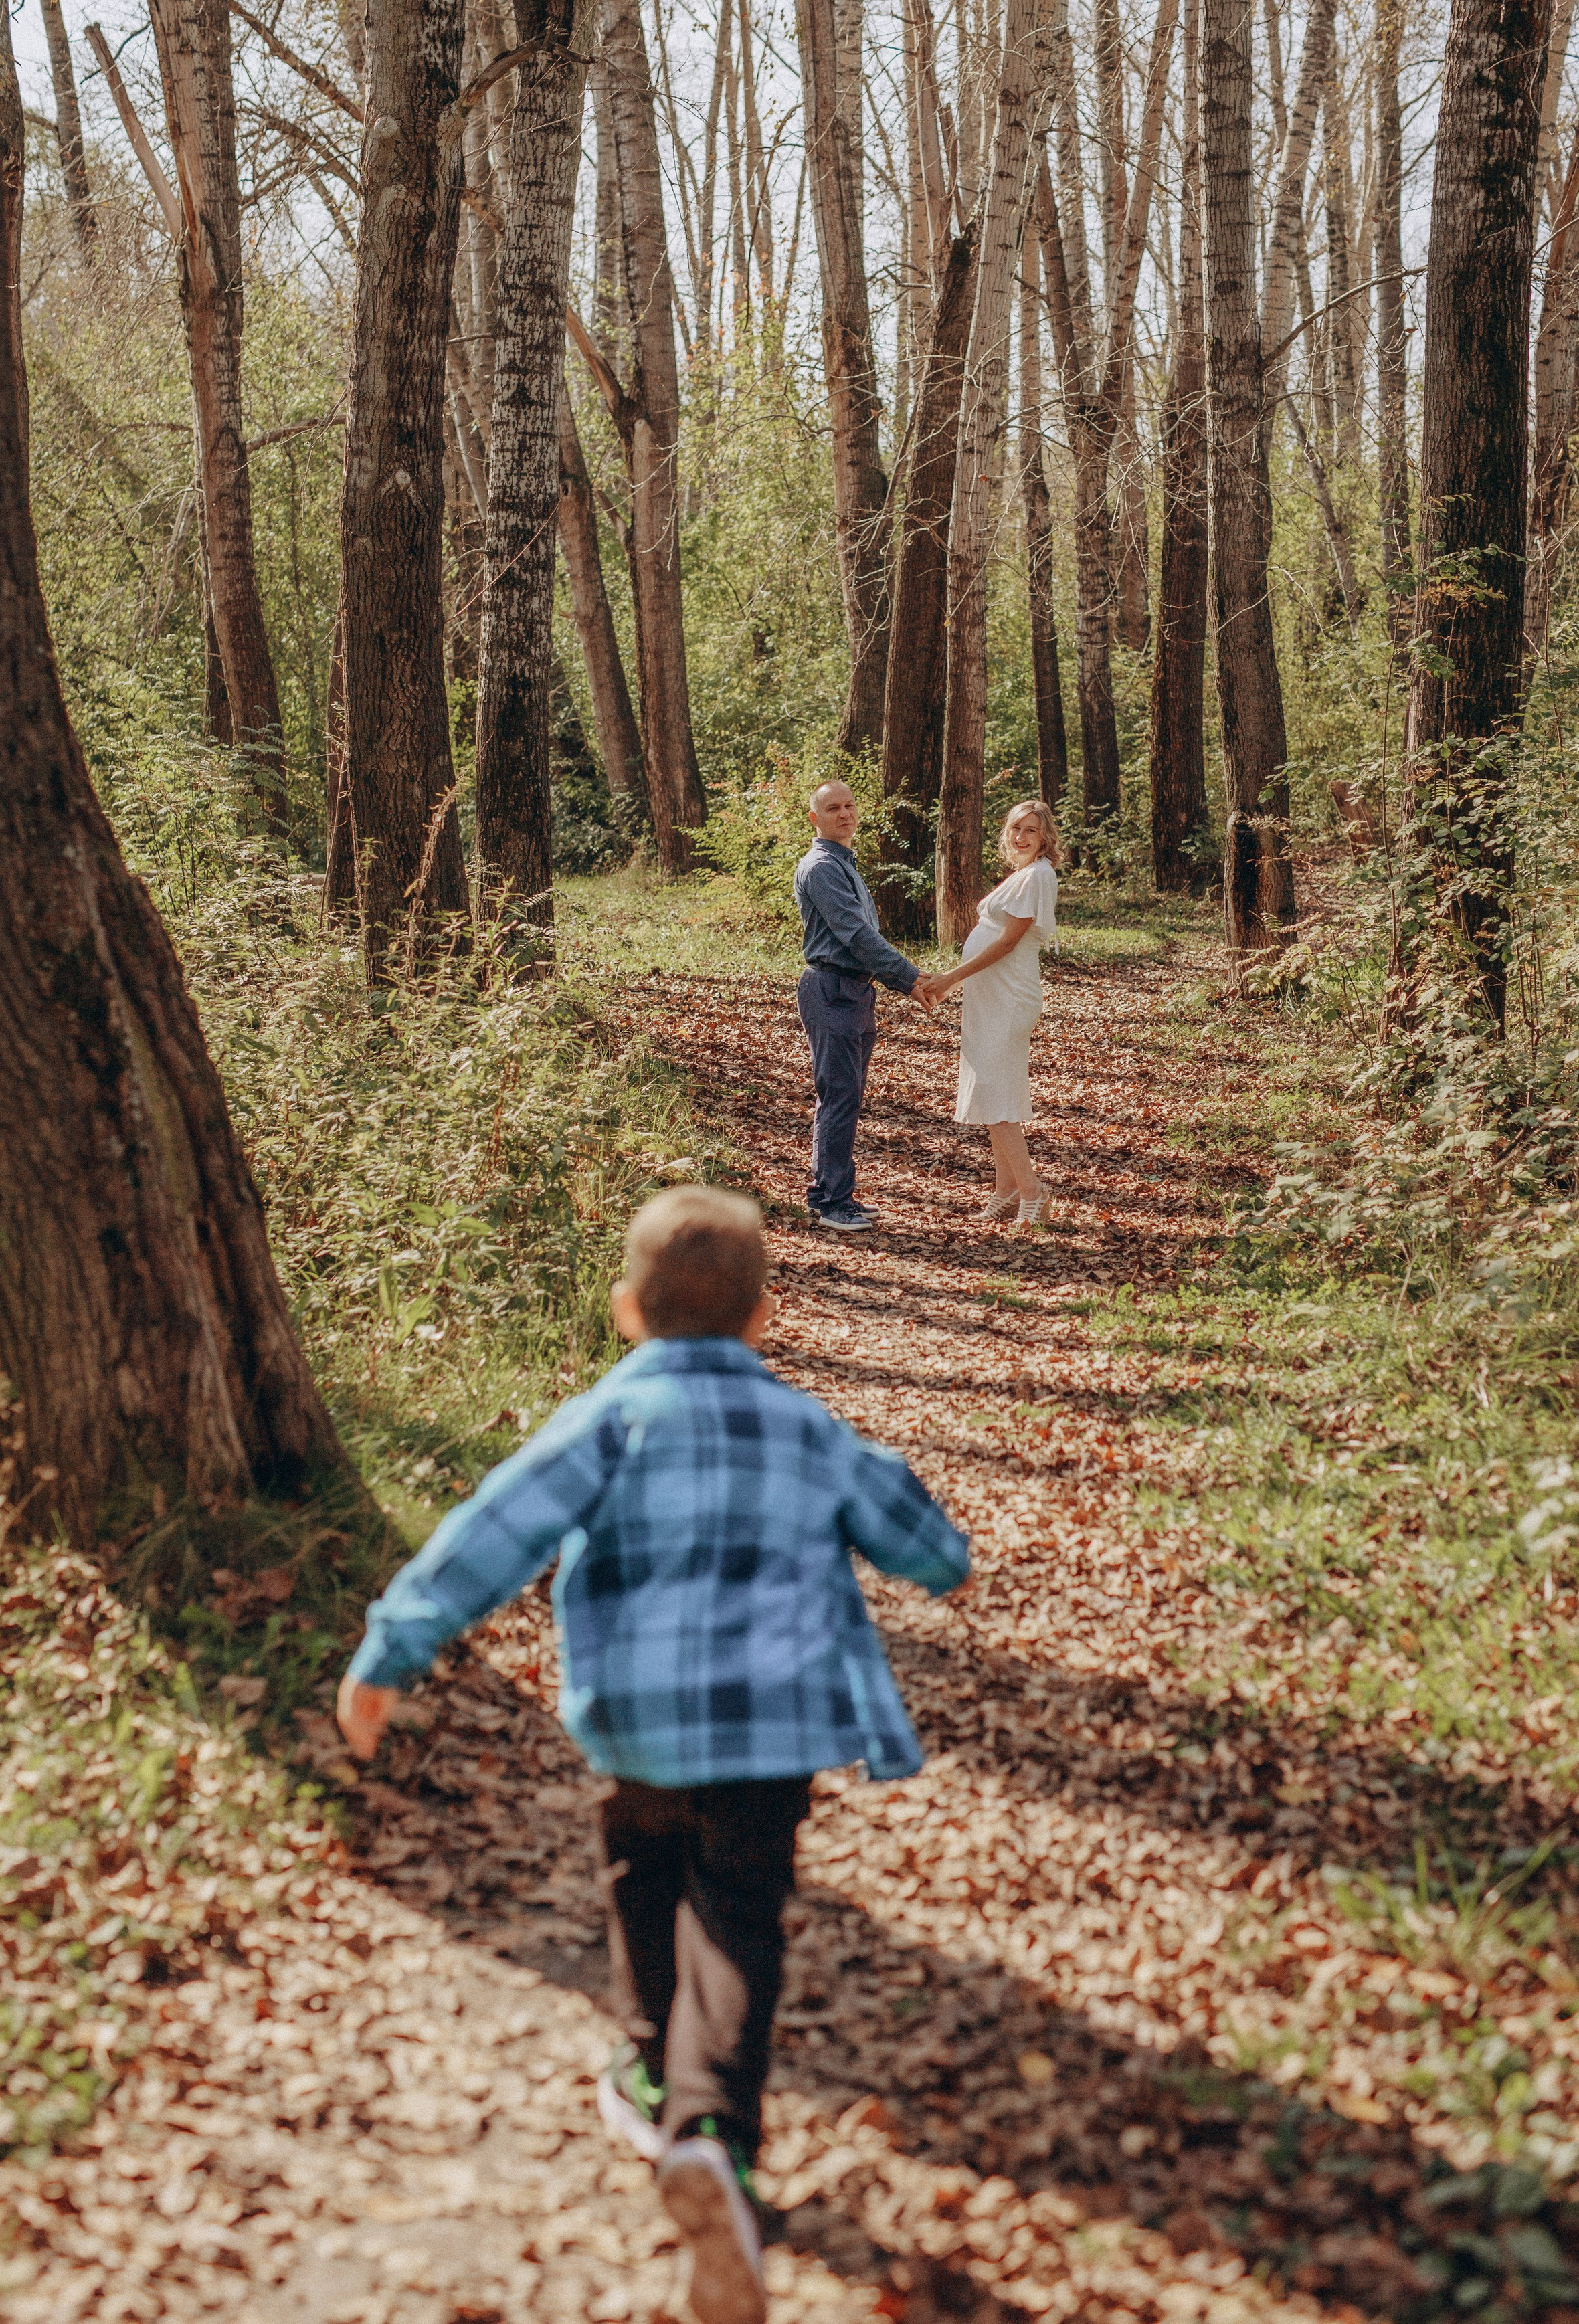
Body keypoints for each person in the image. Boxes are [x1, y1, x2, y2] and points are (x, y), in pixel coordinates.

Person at [335, 1185, 969, 2324]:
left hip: (639, 1722)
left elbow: (494, 1529)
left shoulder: (606, 1420)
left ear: (628, 1310)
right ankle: (712, 2129)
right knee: (739, 1909)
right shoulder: (806, 1428)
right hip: (771, 1729)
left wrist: (390, 1653)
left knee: (644, 1867)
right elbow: (925, 1543)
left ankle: (647, 2064)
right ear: (762, 1317)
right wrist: (939, 1559)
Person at [792, 779, 935, 1232]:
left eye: (850, 805)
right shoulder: (822, 867)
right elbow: (855, 935)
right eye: (833, 808)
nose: (845, 814)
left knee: (846, 1097)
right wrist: (910, 979)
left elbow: (862, 939)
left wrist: (898, 979)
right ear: (815, 819)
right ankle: (831, 1202)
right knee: (839, 1096)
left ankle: (833, 1193)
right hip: (832, 989)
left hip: (855, 991)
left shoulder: (844, 864)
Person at [919, 799, 1061, 1227]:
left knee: (995, 1093)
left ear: (1045, 839)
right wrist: (953, 983)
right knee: (993, 1090)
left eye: (1031, 831)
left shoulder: (1039, 874)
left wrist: (949, 979)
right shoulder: (1021, 875)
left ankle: (1033, 1191)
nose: (1021, 836)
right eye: (1016, 828)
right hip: (989, 997)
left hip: (1009, 996)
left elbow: (1005, 944)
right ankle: (1007, 1189)